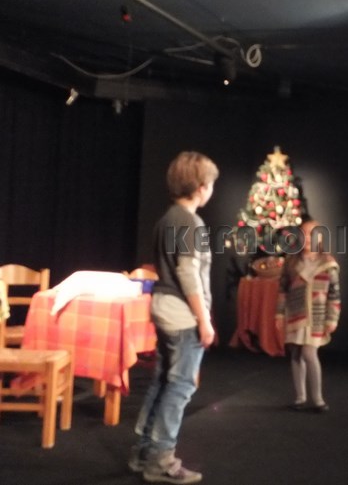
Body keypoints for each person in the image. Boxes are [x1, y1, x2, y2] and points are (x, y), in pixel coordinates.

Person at [129, 151, 218, 484]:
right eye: (211, 184)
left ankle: (142, 452)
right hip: (181, 314)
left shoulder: (166, 219)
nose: (211, 190)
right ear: (200, 186)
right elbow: (188, 275)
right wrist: (204, 320)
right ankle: (161, 460)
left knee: (163, 382)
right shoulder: (190, 222)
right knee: (179, 387)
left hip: (163, 306)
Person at [276, 218, 341, 412]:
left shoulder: (327, 263)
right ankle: (300, 397)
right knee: (296, 353)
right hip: (296, 313)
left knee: (309, 352)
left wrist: (332, 318)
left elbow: (334, 294)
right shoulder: (291, 262)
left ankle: (318, 399)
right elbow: (282, 290)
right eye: (304, 233)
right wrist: (279, 314)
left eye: (312, 234)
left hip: (316, 316)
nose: (307, 238)